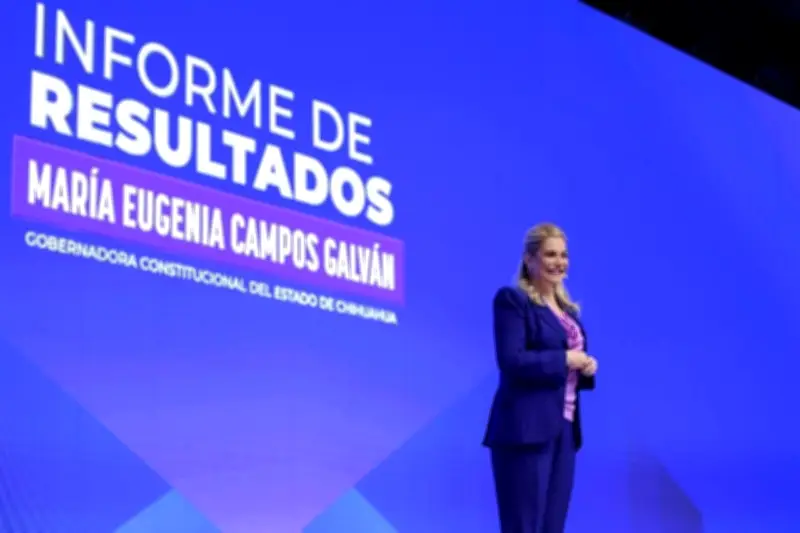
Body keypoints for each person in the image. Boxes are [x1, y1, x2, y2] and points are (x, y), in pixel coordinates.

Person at [483, 222, 597, 533]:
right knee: (524, 526)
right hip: (526, 430)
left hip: (565, 429)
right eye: (550, 254)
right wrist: (564, 359)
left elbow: (566, 366)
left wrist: (585, 367)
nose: (559, 262)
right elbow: (512, 360)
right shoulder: (513, 301)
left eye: (563, 255)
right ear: (529, 258)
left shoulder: (568, 312)